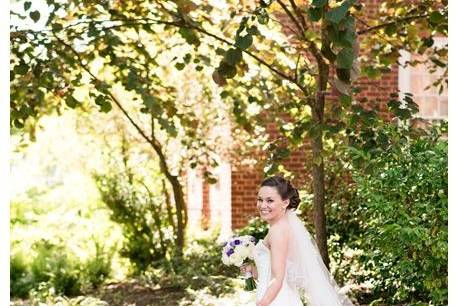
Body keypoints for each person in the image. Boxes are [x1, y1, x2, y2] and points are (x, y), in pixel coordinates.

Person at [240, 175, 354, 306]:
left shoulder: (278, 231)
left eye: (270, 200)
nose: (263, 205)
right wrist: (253, 271)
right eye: (260, 200)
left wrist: (262, 303)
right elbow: (282, 272)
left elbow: (278, 278)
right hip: (278, 296)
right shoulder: (283, 227)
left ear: (285, 203)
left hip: (276, 300)